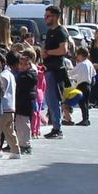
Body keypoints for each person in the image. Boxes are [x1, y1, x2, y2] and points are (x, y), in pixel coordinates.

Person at [41, 7, 70, 138]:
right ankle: (55, 126)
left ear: (56, 17)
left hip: (55, 69)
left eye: (48, 16)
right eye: (45, 16)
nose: (46, 18)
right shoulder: (49, 32)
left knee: (53, 99)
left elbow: (63, 49)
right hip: (48, 68)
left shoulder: (60, 32)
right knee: (50, 99)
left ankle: (57, 129)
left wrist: (48, 53)